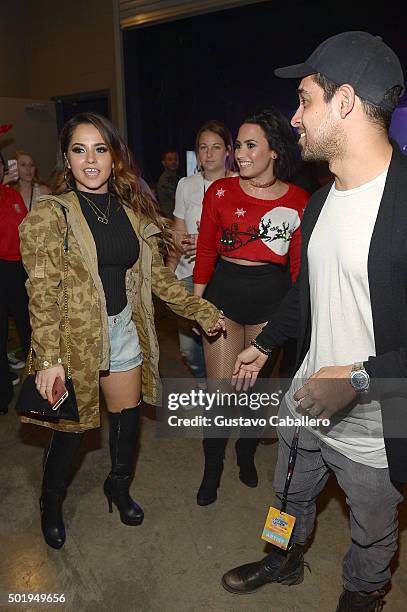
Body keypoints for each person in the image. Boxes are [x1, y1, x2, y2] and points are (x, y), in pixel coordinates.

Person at [221, 32, 406, 611]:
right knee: (284, 498)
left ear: (344, 102)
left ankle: (363, 593)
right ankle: (283, 557)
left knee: (373, 532)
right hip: (305, 402)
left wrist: (351, 380)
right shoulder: (321, 199)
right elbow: (308, 291)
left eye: (305, 100)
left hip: (375, 428)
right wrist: (267, 343)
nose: (295, 118)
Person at [18, 112, 225, 550]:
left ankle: (119, 487)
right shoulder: (51, 216)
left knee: (127, 425)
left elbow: (160, 280)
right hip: (72, 340)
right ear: (67, 159)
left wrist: (201, 310)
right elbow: (42, 294)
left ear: (114, 157)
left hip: (123, 331)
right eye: (79, 150)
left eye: (100, 149)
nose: (90, 160)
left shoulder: (132, 215)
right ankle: (51, 503)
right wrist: (49, 358)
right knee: (71, 433)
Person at [193, 107, 309, 506]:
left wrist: (296, 320)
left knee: (251, 394)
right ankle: (212, 468)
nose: (239, 153)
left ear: (274, 150)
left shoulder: (298, 201)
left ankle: (244, 452)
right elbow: (206, 250)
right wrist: (197, 306)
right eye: (238, 145)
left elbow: (297, 270)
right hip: (223, 297)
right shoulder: (220, 192)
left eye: (249, 145)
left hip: (270, 303)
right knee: (221, 394)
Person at [166, 120, 236, 380]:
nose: (208, 153)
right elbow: (178, 232)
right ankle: (206, 387)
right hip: (187, 275)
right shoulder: (186, 184)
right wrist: (168, 273)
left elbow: (243, 238)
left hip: (224, 276)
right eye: (203, 147)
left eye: (216, 147)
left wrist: (209, 241)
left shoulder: (239, 184)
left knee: (220, 344)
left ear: (228, 151)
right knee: (189, 350)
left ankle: (219, 401)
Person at [0, 151, 31, 414]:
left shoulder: (13, 196)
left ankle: (38, 381)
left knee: (29, 326)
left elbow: (25, 231)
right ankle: (2, 393)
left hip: (19, 268)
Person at [157, 149, 180, 217]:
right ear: (164, 163)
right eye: (170, 159)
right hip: (169, 218)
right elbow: (178, 196)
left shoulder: (177, 178)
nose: (173, 162)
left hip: (176, 216)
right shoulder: (164, 180)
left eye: (175, 159)